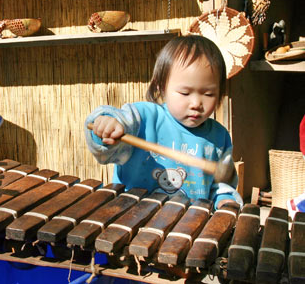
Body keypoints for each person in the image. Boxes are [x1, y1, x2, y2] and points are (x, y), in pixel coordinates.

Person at [84, 35, 243, 209]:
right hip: (133, 219)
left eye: (208, 94)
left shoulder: (219, 137)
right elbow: (117, 127)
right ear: (161, 87)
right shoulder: (144, 119)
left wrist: (225, 200)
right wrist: (108, 127)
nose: (196, 103)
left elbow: (221, 184)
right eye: (185, 93)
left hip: (187, 225)